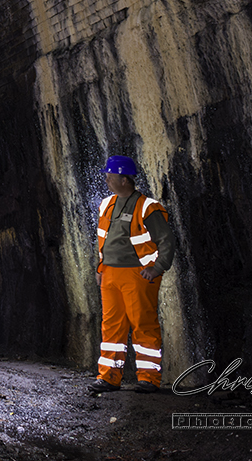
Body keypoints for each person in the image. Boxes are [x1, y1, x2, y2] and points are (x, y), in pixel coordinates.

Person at [89, 154, 177, 394]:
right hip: (110, 275)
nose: (107, 179)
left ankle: (148, 378)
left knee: (143, 323)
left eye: (111, 175)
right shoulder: (107, 204)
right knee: (111, 326)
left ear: (125, 179)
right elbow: (103, 240)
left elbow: (166, 240)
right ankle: (109, 377)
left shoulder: (147, 207)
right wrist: (100, 268)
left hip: (137, 275)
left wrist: (157, 268)